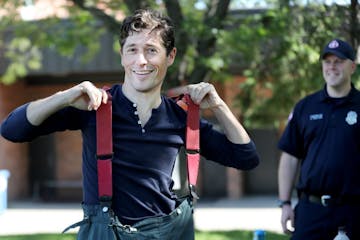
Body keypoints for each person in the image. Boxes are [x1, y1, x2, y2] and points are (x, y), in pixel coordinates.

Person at [0, 9, 259, 239]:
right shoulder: (94, 106)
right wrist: (66, 96)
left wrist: (219, 106)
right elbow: (12, 129)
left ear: (170, 56)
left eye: (152, 50)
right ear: (122, 55)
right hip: (104, 231)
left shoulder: (180, 116)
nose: (141, 61)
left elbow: (245, 157)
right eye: (132, 50)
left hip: (168, 231)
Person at [277, 38, 359, 240]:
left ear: (352, 66)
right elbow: (289, 158)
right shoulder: (305, 107)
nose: (332, 66)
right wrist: (285, 203)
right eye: (327, 61)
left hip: (355, 212)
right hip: (310, 211)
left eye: (338, 61)